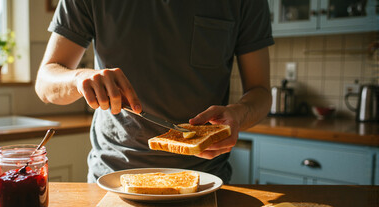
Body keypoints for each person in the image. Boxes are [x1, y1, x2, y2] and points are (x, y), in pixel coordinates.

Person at [35, 0, 274, 183]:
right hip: (113, 178)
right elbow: (45, 84)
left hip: (204, 181)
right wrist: (80, 78)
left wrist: (239, 114)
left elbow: (260, 91)